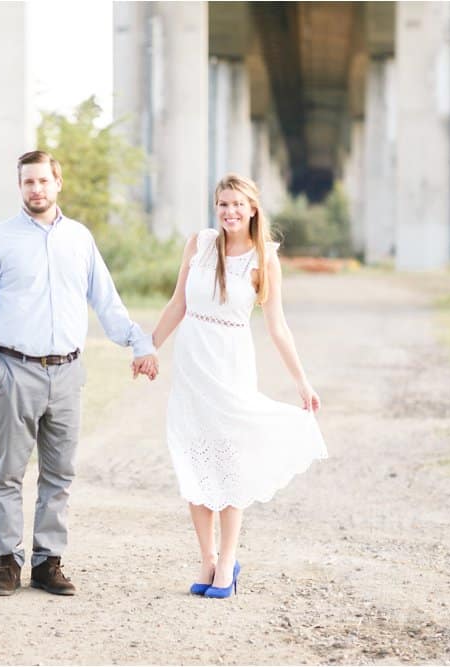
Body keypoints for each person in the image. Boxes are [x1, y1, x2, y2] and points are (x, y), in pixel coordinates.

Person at [0, 150, 158, 597]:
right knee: (8, 473)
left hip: (68, 373)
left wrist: (138, 341)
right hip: (15, 371)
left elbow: (107, 302)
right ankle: (8, 563)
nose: (36, 190)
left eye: (43, 181)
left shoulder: (80, 239)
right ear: (20, 187)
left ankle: (48, 562)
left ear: (58, 183)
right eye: (28, 182)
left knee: (60, 474)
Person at [137, 173, 327, 599]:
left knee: (228, 460)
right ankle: (205, 559)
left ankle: (227, 560)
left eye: (238, 204)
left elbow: (277, 325)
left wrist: (302, 382)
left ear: (253, 208)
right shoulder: (199, 244)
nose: (230, 212)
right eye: (223, 204)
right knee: (193, 457)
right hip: (192, 363)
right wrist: (148, 348)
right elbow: (178, 303)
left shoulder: (265, 258)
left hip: (230, 363)